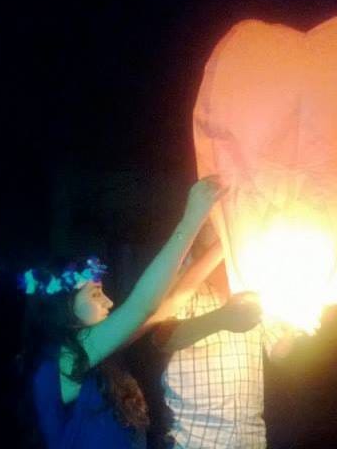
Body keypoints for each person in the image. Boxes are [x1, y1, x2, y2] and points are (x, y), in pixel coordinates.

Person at [19, 176, 226, 449]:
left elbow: (170, 302)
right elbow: (143, 305)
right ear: (63, 306)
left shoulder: (95, 351)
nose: (107, 302)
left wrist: (224, 246)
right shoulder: (64, 358)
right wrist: (191, 220)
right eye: (95, 294)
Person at [151, 222, 297, 449]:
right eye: (221, 225)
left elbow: (278, 353)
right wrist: (221, 319)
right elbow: (163, 338)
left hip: (251, 440)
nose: (232, 232)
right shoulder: (182, 279)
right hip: (193, 440)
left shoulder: (256, 284)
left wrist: (297, 325)